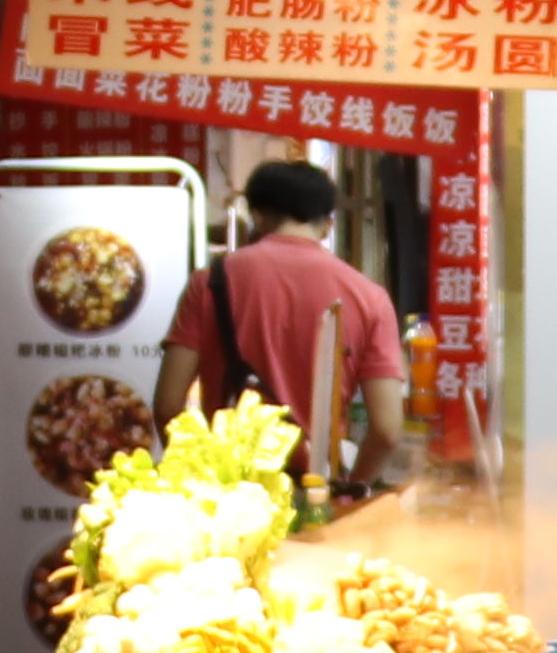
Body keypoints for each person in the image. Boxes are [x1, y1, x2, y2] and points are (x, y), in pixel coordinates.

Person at [158, 156, 413, 495]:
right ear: (327, 226)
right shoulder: (370, 297)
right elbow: (387, 430)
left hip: (231, 496)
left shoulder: (209, 283)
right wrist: (351, 488)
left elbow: (168, 405)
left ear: (259, 216)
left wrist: (201, 475)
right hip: (317, 489)